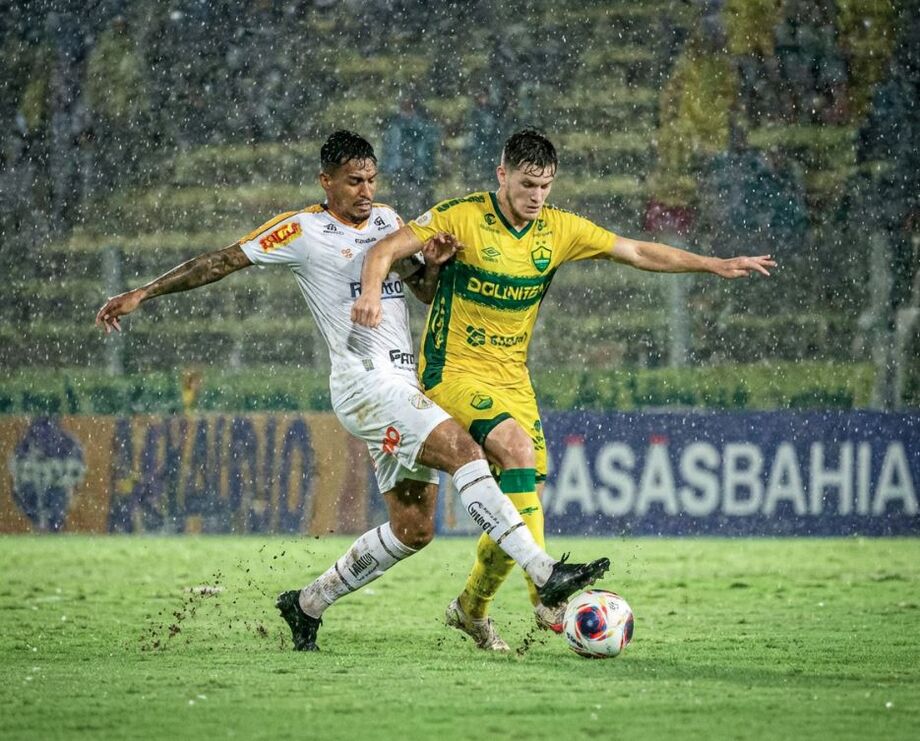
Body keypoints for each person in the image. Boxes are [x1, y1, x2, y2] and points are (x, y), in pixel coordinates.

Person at [94, 130, 609, 652]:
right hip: (364, 381)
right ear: (327, 181)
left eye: (371, 179)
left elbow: (426, 294)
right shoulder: (301, 229)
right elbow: (223, 260)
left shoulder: (387, 221)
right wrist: (144, 292)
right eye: (353, 181)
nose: (365, 191)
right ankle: (543, 571)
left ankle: (308, 603)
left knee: (413, 529)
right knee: (464, 451)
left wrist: (435, 263)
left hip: (406, 385)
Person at [352, 128, 776, 649]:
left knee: (520, 500)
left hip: (513, 381)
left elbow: (637, 251)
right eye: (527, 184)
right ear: (501, 174)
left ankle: (470, 608)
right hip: (453, 371)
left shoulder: (559, 230)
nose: (536, 196)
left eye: (545, 187)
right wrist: (371, 293)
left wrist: (711, 264)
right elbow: (386, 249)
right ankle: (546, 596)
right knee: (517, 451)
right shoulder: (459, 215)